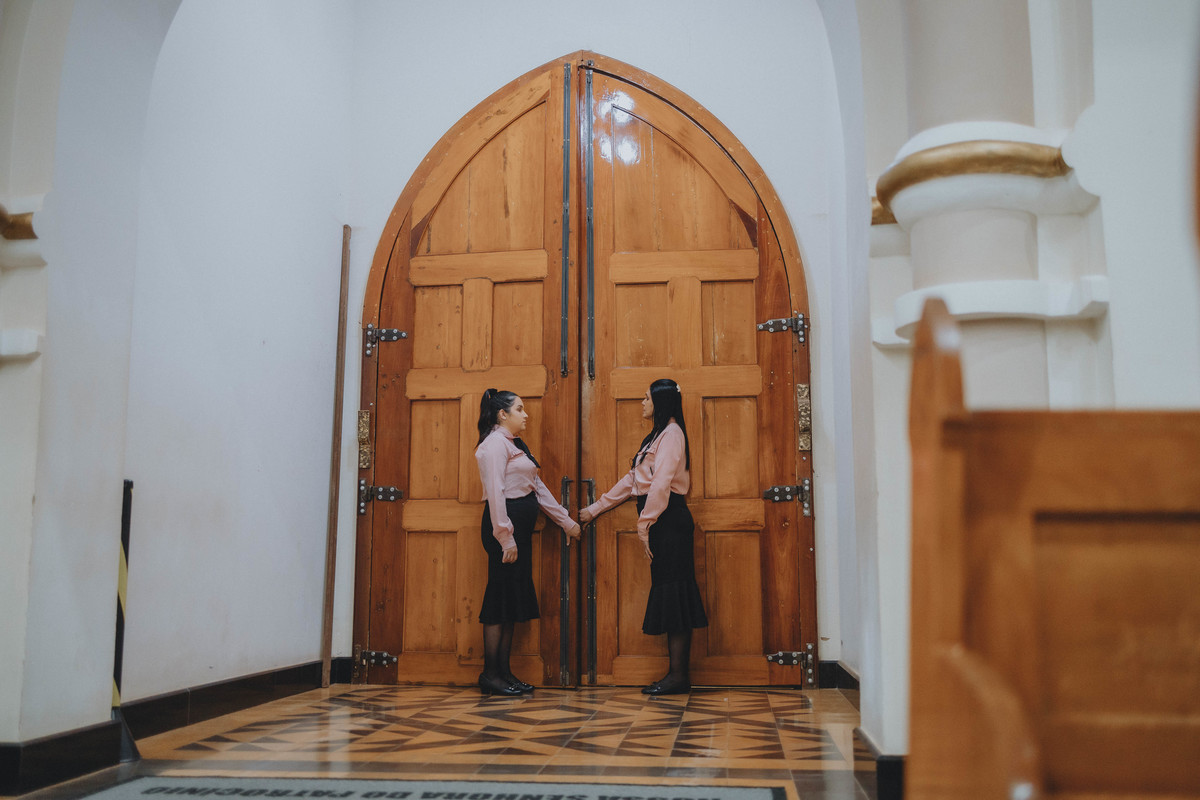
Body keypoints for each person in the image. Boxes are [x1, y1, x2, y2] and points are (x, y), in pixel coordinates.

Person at [579, 378, 708, 695]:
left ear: (661, 401)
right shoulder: (658, 435)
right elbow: (633, 480)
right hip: (661, 521)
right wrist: (595, 508)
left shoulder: (672, 434)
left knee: (675, 595)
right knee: (671, 594)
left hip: (669, 520)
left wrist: (644, 523)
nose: (642, 403)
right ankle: (676, 675)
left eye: (647, 398)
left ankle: (678, 676)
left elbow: (661, 483)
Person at [475, 388, 580, 696]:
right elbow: (496, 493)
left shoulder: (514, 443)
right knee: (499, 599)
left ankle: (504, 672)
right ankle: (490, 674)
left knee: (511, 599)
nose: (526, 415)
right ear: (502, 414)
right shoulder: (494, 444)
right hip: (504, 528)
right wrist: (505, 537)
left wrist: (566, 521)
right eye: (519, 409)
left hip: (518, 528)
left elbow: (537, 487)